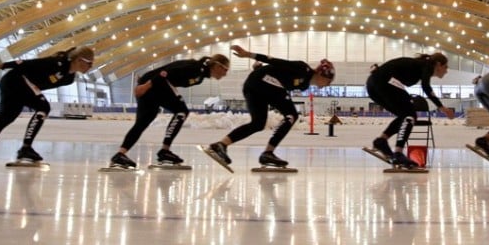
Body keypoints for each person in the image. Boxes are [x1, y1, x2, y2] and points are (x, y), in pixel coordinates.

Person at [0, 46, 95, 167]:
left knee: (4, 120)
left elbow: (39, 85)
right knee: (43, 107)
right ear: (79, 60)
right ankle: (26, 149)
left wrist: (32, 96)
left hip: (21, 87)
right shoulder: (57, 63)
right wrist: (1, 66)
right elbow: (27, 64)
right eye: (89, 63)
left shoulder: (69, 79)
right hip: (15, 80)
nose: (91, 67)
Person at [204, 44, 335, 168]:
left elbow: (277, 73)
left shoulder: (304, 85)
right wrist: (248, 54)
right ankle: (268, 153)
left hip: (254, 87)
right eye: (328, 81)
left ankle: (221, 145)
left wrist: (258, 69)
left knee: (258, 124)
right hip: (260, 83)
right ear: (321, 74)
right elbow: (275, 61)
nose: (328, 85)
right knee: (292, 115)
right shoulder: (302, 68)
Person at [107, 53, 231, 169]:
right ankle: (164, 151)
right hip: (155, 85)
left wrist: (145, 80)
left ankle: (120, 154)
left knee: (143, 121)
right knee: (181, 111)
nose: (225, 74)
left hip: (154, 85)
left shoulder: (200, 74)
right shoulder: (195, 68)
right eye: (225, 69)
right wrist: (146, 85)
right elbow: (165, 73)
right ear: (217, 66)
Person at [366, 53, 455, 167]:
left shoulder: (420, 65)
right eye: (445, 67)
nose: (446, 71)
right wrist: (442, 107)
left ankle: (381, 141)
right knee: (410, 115)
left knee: (405, 115)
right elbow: (426, 87)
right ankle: (398, 152)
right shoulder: (427, 65)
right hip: (383, 81)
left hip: (373, 84)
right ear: (438, 64)